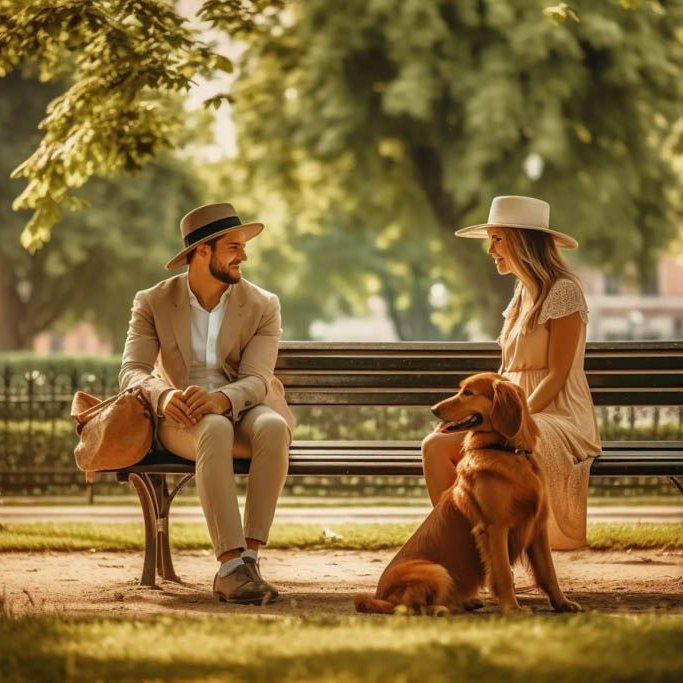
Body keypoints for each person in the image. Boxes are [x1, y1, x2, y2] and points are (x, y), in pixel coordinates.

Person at [120, 202, 295, 603]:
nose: (243, 256)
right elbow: (132, 370)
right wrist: (164, 397)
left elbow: (256, 379)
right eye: (233, 247)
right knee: (213, 427)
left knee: (273, 427)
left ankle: (246, 559)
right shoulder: (153, 301)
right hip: (181, 417)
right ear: (203, 251)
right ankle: (231, 564)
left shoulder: (262, 304)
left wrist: (220, 399)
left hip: (244, 406)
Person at [422, 195, 601, 550]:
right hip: (510, 409)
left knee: (489, 446)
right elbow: (506, 372)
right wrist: (476, 415)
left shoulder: (563, 291)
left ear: (522, 240)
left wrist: (519, 420)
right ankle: (465, 551)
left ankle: (484, 550)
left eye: (498, 238)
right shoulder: (521, 293)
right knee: (435, 446)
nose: (491, 250)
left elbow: (558, 374)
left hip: (555, 414)